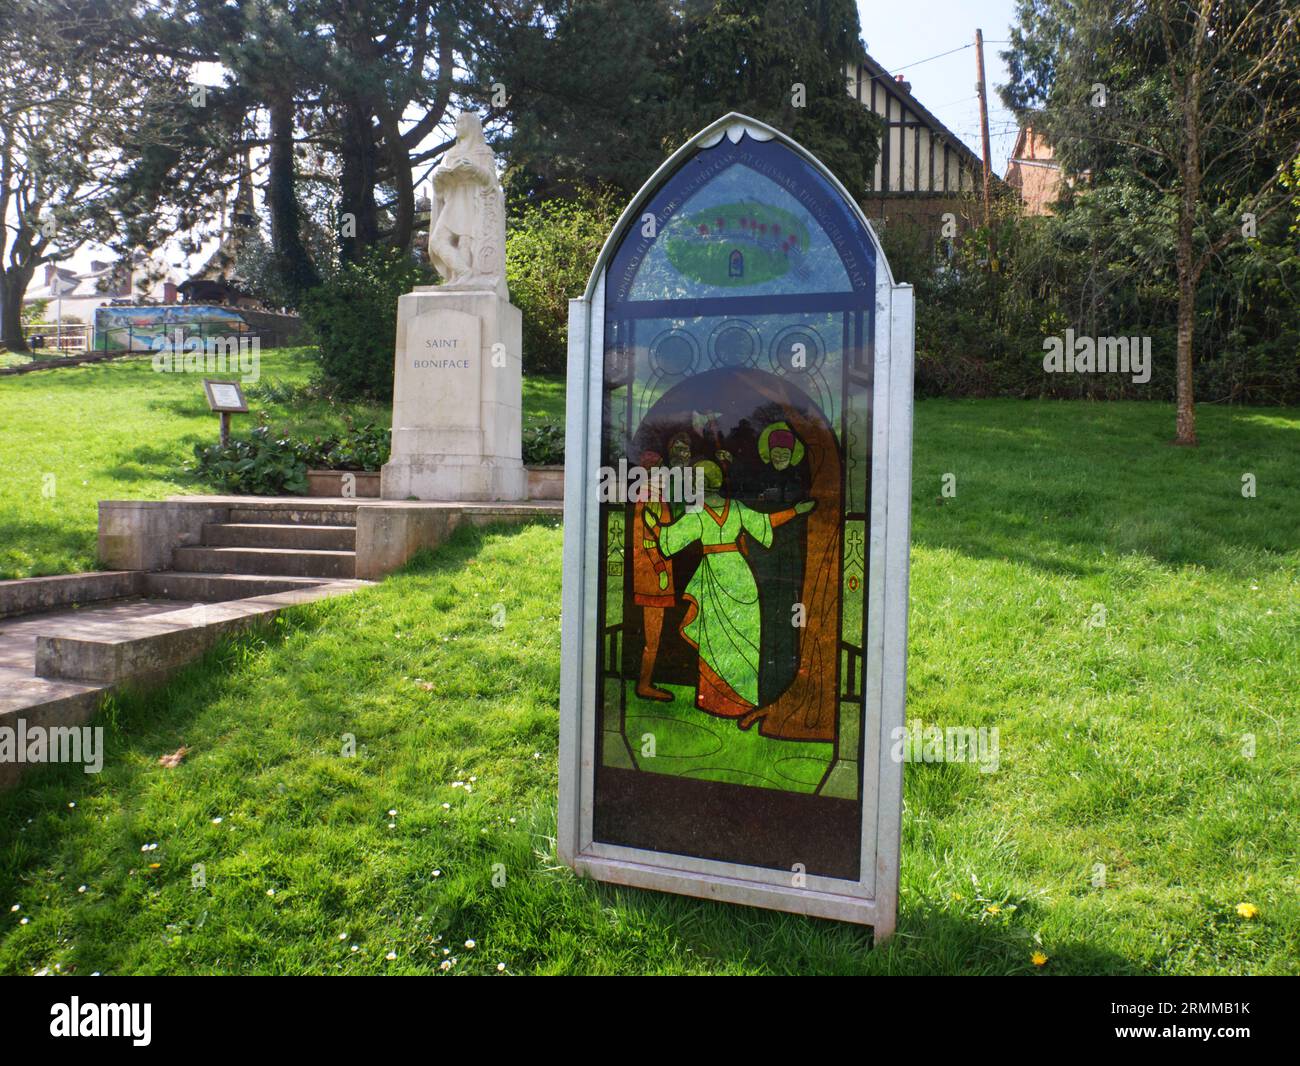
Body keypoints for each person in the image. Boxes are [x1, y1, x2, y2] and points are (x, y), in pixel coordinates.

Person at [654, 459, 814, 720]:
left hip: (736, 578)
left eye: (696, 481)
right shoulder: (708, 511)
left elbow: (669, 540)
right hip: (728, 575)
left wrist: (795, 512)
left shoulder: (710, 511)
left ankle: (741, 701)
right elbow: (764, 522)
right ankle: (719, 703)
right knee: (714, 642)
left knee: (743, 639)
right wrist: (795, 511)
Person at [630, 452, 675, 701]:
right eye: (658, 472)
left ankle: (647, 681)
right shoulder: (649, 499)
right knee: (653, 634)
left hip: (655, 574)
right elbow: (649, 541)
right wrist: (660, 570)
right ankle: (644, 684)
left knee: (655, 632)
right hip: (653, 578)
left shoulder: (651, 497)